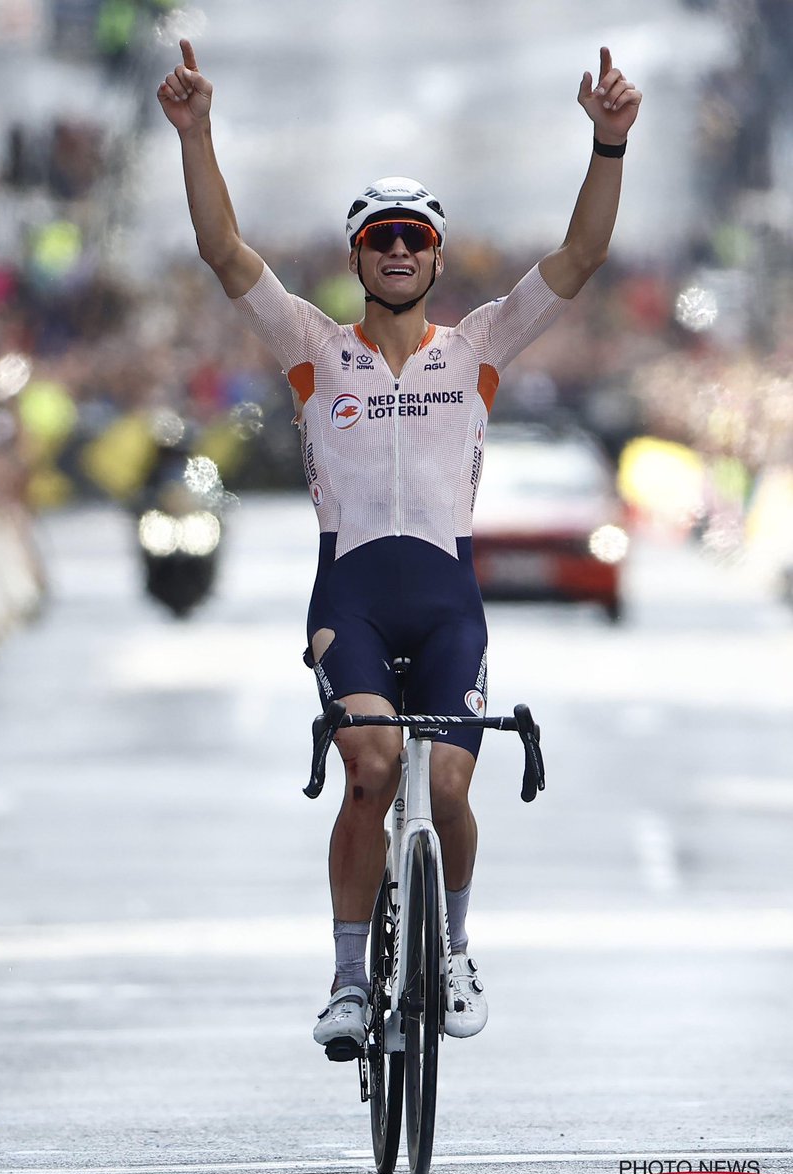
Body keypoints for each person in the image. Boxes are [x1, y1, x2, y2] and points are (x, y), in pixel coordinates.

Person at [158, 39, 641, 1056]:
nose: (397, 252)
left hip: (444, 599)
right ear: (356, 258)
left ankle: (454, 947)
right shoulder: (310, 348)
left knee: (454, 790)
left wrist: (606, 144)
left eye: (413, 238)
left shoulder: (476, 349)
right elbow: (223, 253)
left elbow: (580, 259)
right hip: (352, 599)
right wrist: (197, 136)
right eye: (379, 238)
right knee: (370, 770)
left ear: (433, 256)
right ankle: (345, 977)